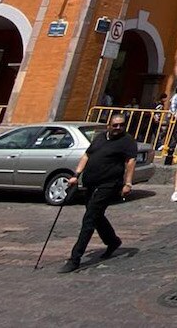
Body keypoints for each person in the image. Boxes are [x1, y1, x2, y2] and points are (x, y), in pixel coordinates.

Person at [59, 113, 138, 273]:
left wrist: (128, 183)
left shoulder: (127, 141)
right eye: (115, 125)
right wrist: (76, 175)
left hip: (109, 184)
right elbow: (87, 155)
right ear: (109, 125)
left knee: (89, 219)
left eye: (121, 125)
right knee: (96, 215)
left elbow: (130, 161)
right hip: (91, 183)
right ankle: (113, 241)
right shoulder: (100, 138)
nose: (118, 128)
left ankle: (75, 259)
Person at [164, 86, 177, 164]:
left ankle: (171, 145)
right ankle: (170, 146)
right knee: (173, 131)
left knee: (174, 132)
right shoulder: (176, 97)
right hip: (174, 117)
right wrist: (175, 115)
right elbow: (173, 107)